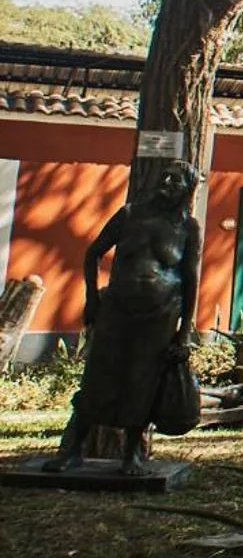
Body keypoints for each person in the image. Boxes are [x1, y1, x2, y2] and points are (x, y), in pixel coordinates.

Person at [44, 160, 203, 475]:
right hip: (116, 309)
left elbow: (191, 280)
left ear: (187, 190)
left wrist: (185, 332)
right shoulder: (130, 215)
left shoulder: (188, 228)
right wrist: (91, 297)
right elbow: (93, 252)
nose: (167, 183)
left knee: (142, 382)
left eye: (175, 180)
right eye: (165, 176)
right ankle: (72, 450)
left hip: (160, 316)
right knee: (97, 377)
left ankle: (132, 455)